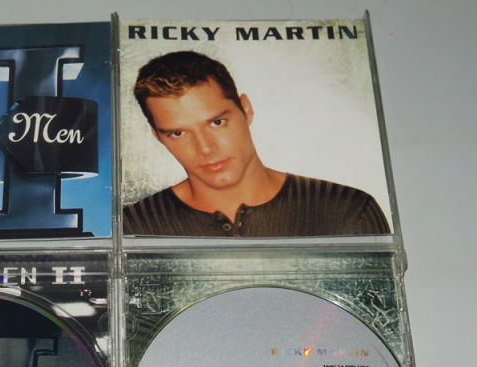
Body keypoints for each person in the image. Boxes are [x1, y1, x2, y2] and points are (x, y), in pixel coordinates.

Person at [123, 51, 391, 237]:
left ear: (246, 109)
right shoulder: (134, 227)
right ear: (157, 135)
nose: (205, 148)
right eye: (178, 133)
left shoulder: (348, 211)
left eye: (217, 122)